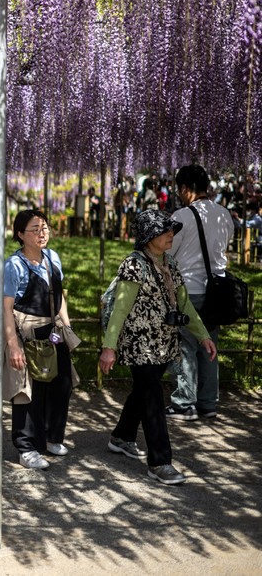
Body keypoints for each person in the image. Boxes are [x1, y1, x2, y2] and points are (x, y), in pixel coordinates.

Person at [100, 210, 216, 485]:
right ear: (148, 236)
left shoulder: (170, 263)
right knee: (152, 397)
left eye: (171, 230)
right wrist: (109, 347)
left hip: (164, 343)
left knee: (143, 392)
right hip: (139, 345)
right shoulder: (133, 265)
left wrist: (203, 336)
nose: (170, 235)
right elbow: (120, 309)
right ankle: (160, 462)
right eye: (164, 231)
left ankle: (122, 436)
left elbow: (184, 303)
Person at [1, 209, 76, 470]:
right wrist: (13, 344)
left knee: (61, 382)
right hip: (28, 332)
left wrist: (66, 326)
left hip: (53, 330)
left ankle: (51, 436)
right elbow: (5, 307)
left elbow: (59, 295)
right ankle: (26, 446)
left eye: (44, 228)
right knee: (28, 390)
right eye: (35, 229)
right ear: (21, 234)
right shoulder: (14, 265)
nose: (42, 233)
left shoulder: (52, 258)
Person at [165, 165, 234, 420]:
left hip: (189, 289)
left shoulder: (182, 216)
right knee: (209, 345)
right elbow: (225, 246)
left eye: (179, 190)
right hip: (217, 290)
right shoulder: (224, 214)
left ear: (185, 189)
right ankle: (208, 403)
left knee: (186, 345)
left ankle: (185, 402)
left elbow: (168, 251)